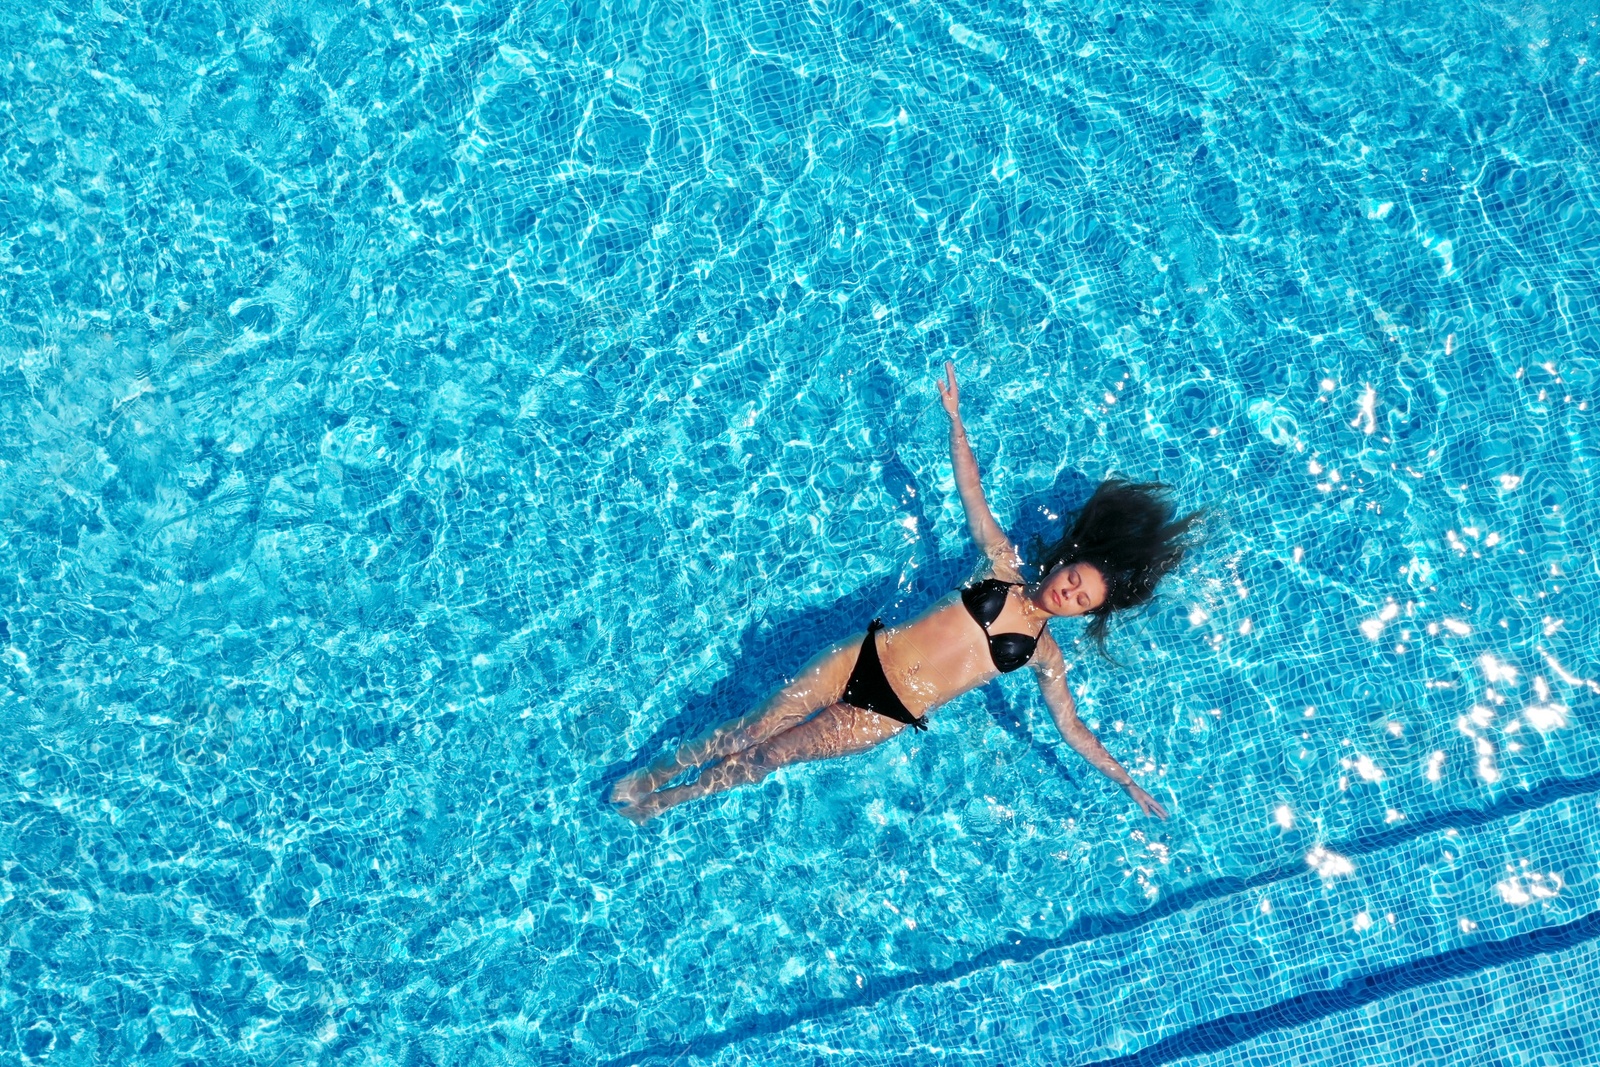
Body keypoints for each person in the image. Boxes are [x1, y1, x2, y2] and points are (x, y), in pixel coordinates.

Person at [611, 362, 1200, 823]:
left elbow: (1071, 726)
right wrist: (956, 422)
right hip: (863, 658)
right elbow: (973, 495)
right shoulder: (1002, 565)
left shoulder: (1046, 655)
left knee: (770, 757)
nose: (1070, 593)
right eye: (1075, 579)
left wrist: (1124, 780)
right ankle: (656, 773)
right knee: (750, 728)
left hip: (886, 714)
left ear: (1087, 613)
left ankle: (668, 801)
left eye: (1083, 600)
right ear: (1066, 564)